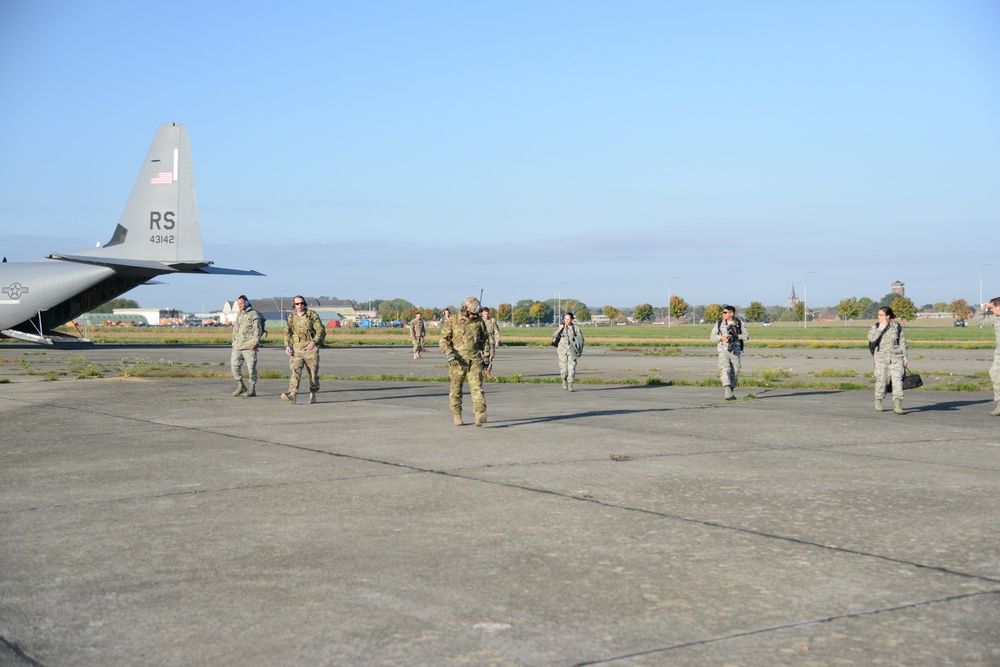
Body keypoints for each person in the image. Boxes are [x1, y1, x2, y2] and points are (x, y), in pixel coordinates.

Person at [439, 296, 490, 426]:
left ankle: (479, 413)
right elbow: (443, 340)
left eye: (476, 314)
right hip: (457, 362)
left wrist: (486, 357)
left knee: (477, 388)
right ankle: (457, 415)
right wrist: (449, 353)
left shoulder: (479, 322)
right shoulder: (453, 320)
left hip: (475, 360)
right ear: (465, 310)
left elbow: (485, 340)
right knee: (456, 389)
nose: (474, 316)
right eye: (472, 314)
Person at [281, 296, 325, 405]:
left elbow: (320, 329)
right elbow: (287, 332)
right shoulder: (291, 317)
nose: (299, 306)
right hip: (297, 348)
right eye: (297, 304)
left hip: (310, 348)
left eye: (301, 303)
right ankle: (292, 395)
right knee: (295, 371)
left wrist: (314, 341)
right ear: (294, 305)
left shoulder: (311, 315)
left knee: (313, 373)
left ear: (304, 304)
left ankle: (313, 393)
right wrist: (287, 345)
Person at [867, 306, 908, 414]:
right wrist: (881, 328)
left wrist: (905, 358)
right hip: (881, 358)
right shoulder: (876, 326)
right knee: (882, 381)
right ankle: (878, 400)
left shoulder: (896, 327)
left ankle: (898, 404)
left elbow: (902, 343)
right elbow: (871, 338)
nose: (879, 317)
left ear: (888, 316)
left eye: (881, 315)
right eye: (878, 315)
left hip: (896, 357)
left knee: (897, 381)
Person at [710, 305, 749, 400]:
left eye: (725, 312)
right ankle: (727, 390)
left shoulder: (739, 323)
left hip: (735, 350)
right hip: (723, 349)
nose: (723, 314)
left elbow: (746, 336)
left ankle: (731, 390)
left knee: (735, 370)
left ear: (732, 313)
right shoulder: (719, 323)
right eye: (723, 312)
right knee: (725, 368)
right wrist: (721, 337)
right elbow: (712, 336)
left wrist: (737, 335)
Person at [230, 295, 261, 398]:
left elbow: (258, 330)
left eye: (241, 303)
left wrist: (254, 343)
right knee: (234, 366)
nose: (239, 306)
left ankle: (252, 389)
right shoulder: (239, 315)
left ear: (246, 303)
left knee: (251, 368)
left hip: (249, 346)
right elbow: (235, 330)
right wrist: (233, 344)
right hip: (238, 346)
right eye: (238, 304)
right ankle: (241, 385)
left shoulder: (253, 314)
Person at [974, 297, 1000, 416]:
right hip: (999, 353)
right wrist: (982, 309)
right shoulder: (996, 317)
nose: (992, 310)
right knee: (995, 374)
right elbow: (980, 321)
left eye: (993, 308)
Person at [552, 312, 584, 391]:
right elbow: (554, 336)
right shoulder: (562, 327)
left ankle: (570, 384)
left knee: (572, 367)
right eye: (565, 319)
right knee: (563, 368)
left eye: (568, 319)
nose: (566, 320)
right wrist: (559, 329)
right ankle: (564, 379)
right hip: (562, 350)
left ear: (572, 319)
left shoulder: (575, 328)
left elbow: (581, 339)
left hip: (572, 351)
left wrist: (577, 345)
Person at [481, 306, 501, 377]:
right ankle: (483, 371)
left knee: (491, 356)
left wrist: (497, 341)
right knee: (482, 357)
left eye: (487, 314)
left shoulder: (492, 320)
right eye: (485, 314)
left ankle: (488, 371)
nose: (486, 315)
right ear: (482, 313)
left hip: (490, 340)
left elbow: (496, 331)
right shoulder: (479, 321)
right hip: (482, 341)